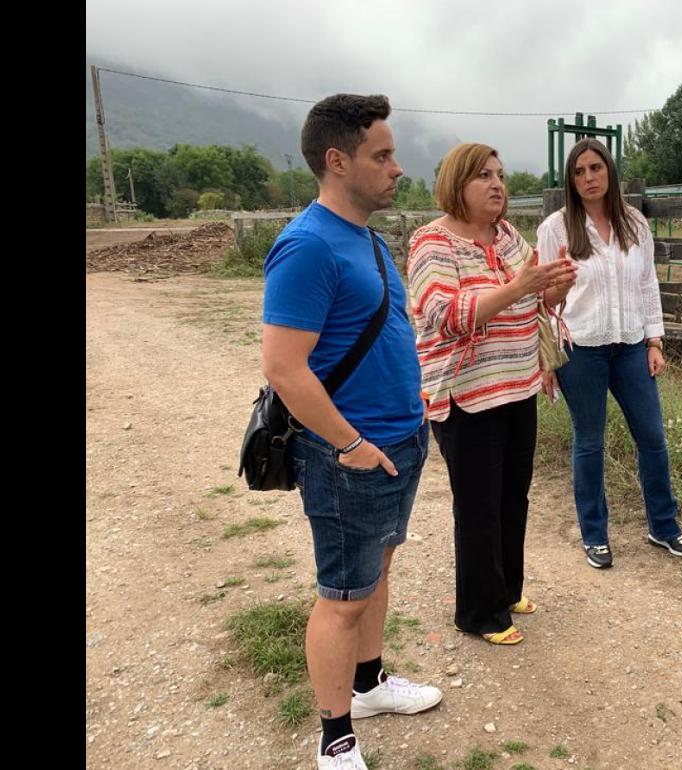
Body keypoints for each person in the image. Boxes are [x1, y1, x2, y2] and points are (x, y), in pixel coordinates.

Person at [262, 94, 442, 770]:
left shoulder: (362, 236)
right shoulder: (307, 245)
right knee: (341, 597)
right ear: (338, 161)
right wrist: (350, 443)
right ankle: (335, 737)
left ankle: (368, 685)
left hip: (399, 442)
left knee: (375, 572)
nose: (397, 168)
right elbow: (283, 365)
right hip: (351, 456)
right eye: (383, 155)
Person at [407, 142, 577, 645]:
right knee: (478, 506)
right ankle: (479, 612)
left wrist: (558, 285)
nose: (497, 185)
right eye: (483, 175)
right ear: (456, 184)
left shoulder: (505, 235)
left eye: (500, 175)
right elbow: (447, 314)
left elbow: (537, 296)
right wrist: (520, 288)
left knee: (511, 497)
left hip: (518, 385)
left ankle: (507, 590)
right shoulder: (431, 243)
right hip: (467, 396)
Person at [536, 138, 682, 570]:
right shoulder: (556, 228)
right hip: (581, 348)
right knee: (589, 441)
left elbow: (648, 285)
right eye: (579, 171)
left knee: (652, 437)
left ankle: (663, 526)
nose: (588, 178)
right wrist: (547, 359)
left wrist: (655, 340)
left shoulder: (634, 224)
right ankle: (595, 535)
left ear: (609, 171)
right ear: (571, 180)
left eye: (595, 168)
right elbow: (543, 300)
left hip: (629, 346)